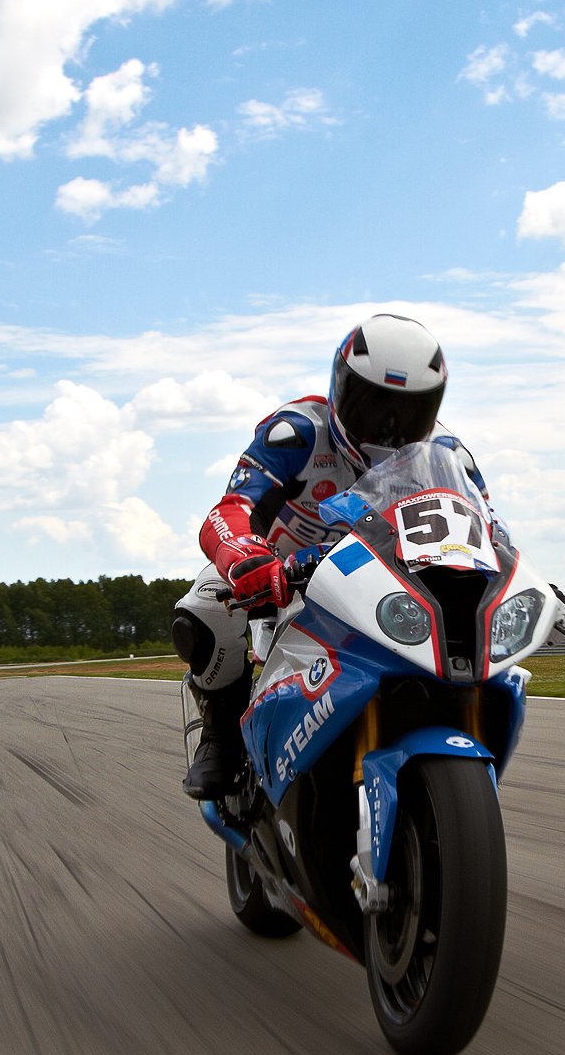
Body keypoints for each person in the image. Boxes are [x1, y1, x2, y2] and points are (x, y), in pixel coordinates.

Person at [171, 313, 492, 799]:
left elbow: (488, 531)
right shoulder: (296, 432)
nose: (389, 429)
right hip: (279, 574)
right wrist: (246, 559)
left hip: (380, 584)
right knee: (204, 609)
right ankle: (221, 735)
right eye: (374, 406)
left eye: (408, 413)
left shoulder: (447, 456)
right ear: (340, 389)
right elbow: (230, 509)